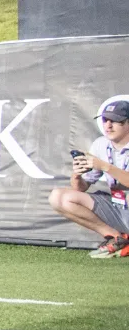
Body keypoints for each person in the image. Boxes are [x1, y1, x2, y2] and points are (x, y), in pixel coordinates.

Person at [51, 99, 129, 258]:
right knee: (58, 197)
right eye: (105, 120)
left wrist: (105, 166)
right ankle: (117, 238)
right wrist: (77, 174)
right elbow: (79, 188)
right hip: (119, 206)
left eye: (115, 121)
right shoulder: (101, 145)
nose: (108, 125)